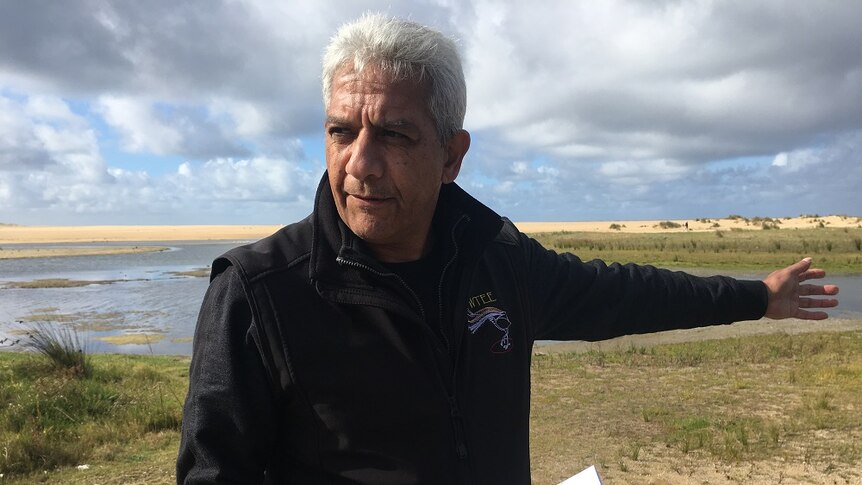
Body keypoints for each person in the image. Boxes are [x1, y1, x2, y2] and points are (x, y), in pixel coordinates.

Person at [176, 14, 839, 484]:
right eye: (341, 130)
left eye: (396, 136)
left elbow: (626, 293)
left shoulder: (501, 261)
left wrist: (759, 296)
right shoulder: (259, 293)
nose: (362, 164)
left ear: (451, 156)